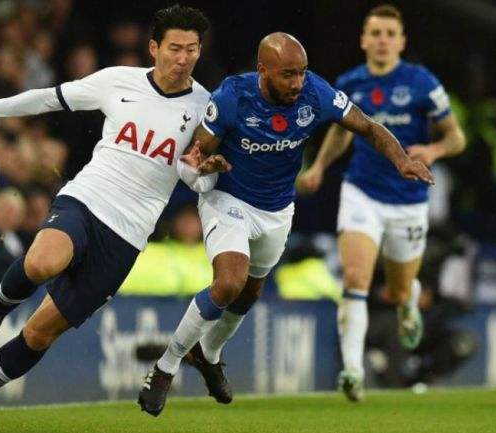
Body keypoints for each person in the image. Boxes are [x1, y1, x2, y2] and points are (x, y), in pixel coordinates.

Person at [0, 5, 229, 430]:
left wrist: (203, 174)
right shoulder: (117, 81)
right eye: (175, 48)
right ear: (154, 48)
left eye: (193, 50)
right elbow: (46, 99)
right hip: (87, 200)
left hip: (126, 237)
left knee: (39, 334)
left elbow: (192, 176)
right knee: (40, 263)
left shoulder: (205, 107)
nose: (183, 58)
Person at [138, 31, 435, 417]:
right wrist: (202, 167)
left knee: (249, 295)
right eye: (288, 75)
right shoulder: (232, 96)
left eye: (302, 73)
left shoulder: (316, 93)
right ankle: (165, 368)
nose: (297, 83)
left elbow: (369, 127)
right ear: (263, 70)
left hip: (278, 210)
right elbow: (194, 156)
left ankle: (207, 353)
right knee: (229, 283)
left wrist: (402, 161)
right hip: (228, 201)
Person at [298, 4, 466, 401]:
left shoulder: (422, 82)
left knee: (396, 289)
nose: (382, 40)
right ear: (363, 40)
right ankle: (353, 371)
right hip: (362, 191)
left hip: (408, 200)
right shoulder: (350, 83)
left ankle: (408, 299)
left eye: (390, 33)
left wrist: (436, 149)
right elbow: (341, 133)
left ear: (401, 42)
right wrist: (320, 165)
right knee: (355, 279)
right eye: (375, 33)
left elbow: (457, 136)